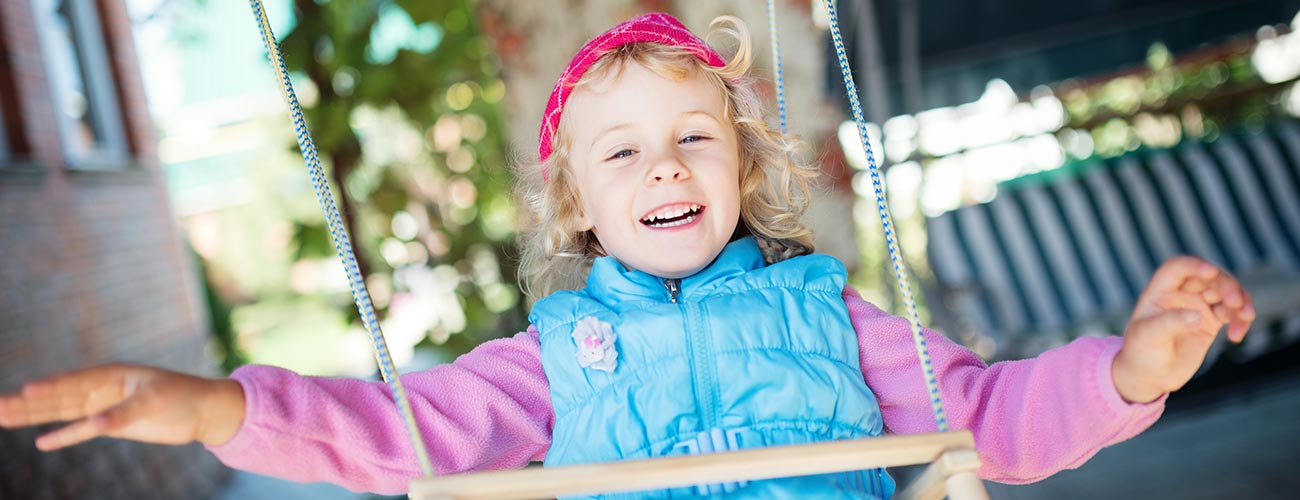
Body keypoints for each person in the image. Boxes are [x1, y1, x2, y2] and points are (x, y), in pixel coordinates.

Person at [0, 12, 1255, 499]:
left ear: (741, 167)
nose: (663, 167)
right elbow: (394, 430)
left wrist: (1130, 370)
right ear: (578, 208)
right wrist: (212, 405)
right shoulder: (552, 359)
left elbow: (990, 417)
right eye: (624, 155)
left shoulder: (836, 316)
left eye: (692, 138)